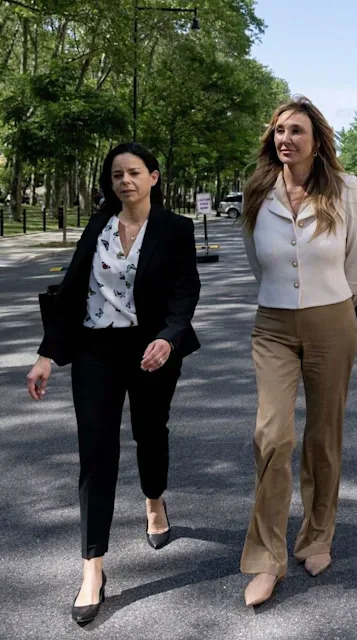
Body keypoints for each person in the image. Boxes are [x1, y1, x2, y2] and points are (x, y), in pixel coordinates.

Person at [26, 142, 201, 625]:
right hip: (94, 352)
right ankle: (92, 569)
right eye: (118, 174)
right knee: (96, 453)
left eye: (135, 172)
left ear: (154, 177)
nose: (125, 180)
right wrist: (46, 355)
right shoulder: (98, 225)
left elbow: (186, 289)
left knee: (150, 432)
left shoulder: (175, 228)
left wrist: (169, 336)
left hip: (150, 351)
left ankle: (153, 500)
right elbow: (70, 289)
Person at [238, 97, 357, 607]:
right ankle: (266, 559)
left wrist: (338, 306)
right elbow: (257, 263)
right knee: (272, 435)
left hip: (333, 318)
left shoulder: (345, 188)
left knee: (323, 434)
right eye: (279, 131)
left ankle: (317, 536)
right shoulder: (257, 192)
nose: (285, 139)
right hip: (272, 324)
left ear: (317, 141)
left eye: (296, 131)